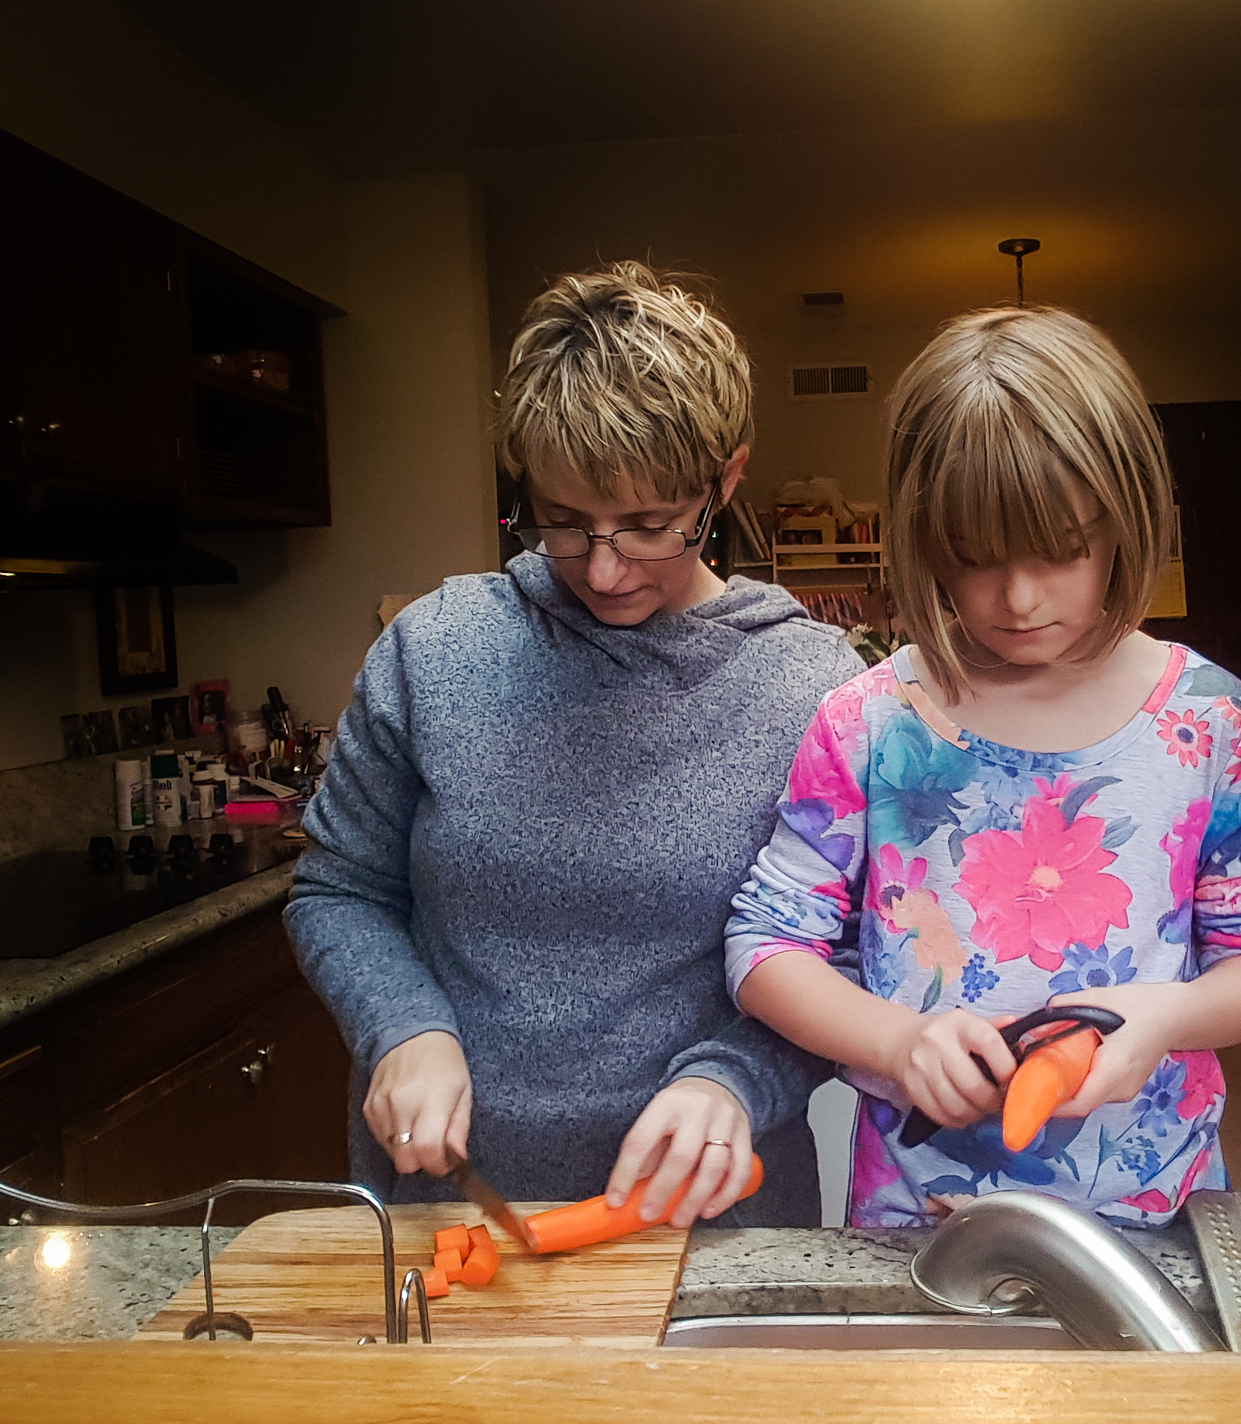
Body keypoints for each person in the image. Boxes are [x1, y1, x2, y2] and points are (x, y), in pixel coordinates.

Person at [288, 261, 863, 1226]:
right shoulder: (433, 651)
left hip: (712, 1217)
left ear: (724, 482)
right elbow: (338, 891)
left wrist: (736, 1081)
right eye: (562, 522)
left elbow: (853, 950)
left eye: (649, 526)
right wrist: (401, 1029)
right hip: (450, 1211)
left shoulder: (817, 687)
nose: (603, 569)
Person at [724, 306, 1241, 1227]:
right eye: (974, 558)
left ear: (1126, 520)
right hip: (923, 1215)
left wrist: (1162, 1018)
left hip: (1157, 1205)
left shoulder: (1216, 721)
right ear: (925, 540)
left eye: (1065, 550)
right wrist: (899, 1038)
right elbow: (763, 947)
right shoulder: (870, 721)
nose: (1020, 597)